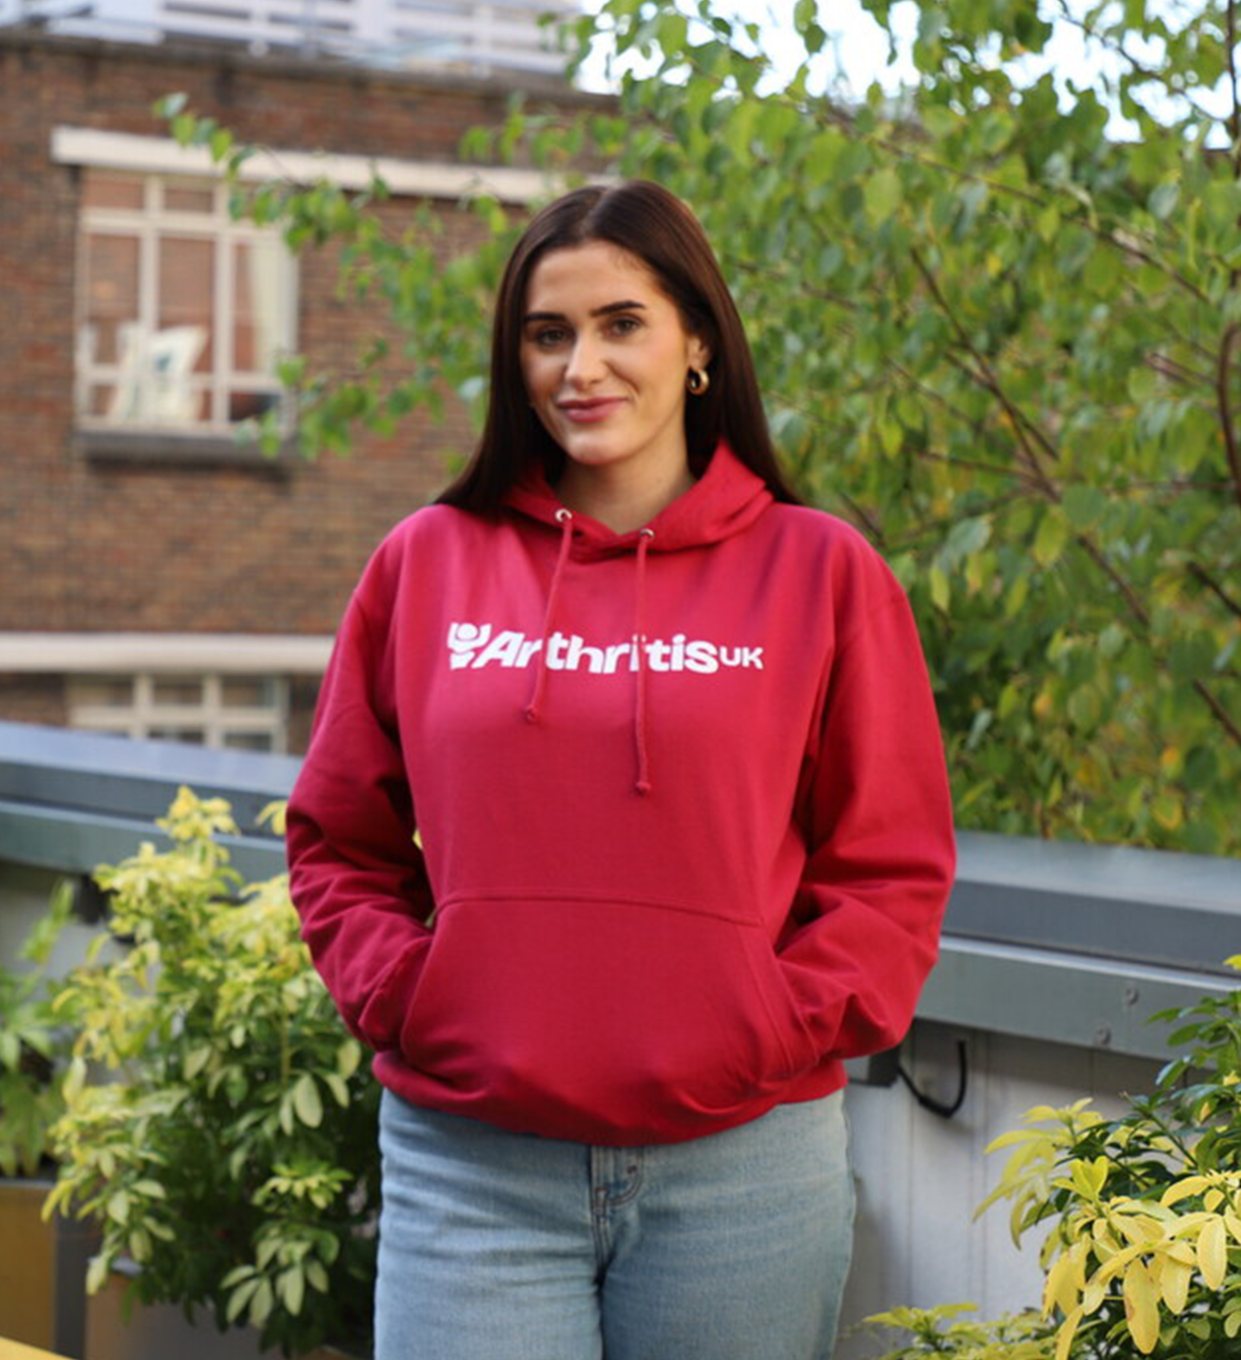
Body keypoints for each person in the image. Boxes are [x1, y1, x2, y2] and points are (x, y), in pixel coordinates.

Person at [286, 179, 956, 1360]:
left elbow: (890, 864)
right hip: (472, 1159)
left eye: (619, 324)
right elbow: (339, 836)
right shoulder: (427, 563)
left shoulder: (823, 573)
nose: (580, 367)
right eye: (548, 334)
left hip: (742, 1166)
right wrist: (412, 995)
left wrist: (765, 1024)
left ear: (697, 339)